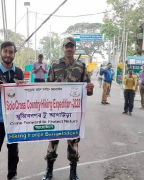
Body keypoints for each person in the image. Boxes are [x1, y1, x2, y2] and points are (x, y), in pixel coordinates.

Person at [42, 37, 94, 180]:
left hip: (73, 114)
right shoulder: (54, 65)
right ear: (63, 48)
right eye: (66, 46)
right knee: (53, 141)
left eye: (71, 46)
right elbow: (47, 87)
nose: (69, 49)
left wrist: (90, 88)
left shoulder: (81, 67)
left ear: (75, 48)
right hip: (56, 113)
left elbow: (87, 90)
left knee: (73, 143)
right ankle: (49, 171)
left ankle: (73, 173)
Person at [0, 41, 24, 180]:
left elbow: (23, 95)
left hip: (14, 119)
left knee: (13, 151)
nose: (8, 54)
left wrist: (21, 87)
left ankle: (12, 175)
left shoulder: (19, 72)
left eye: (11, 52)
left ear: (14, 54)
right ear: (1, 53)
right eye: (5, 51)